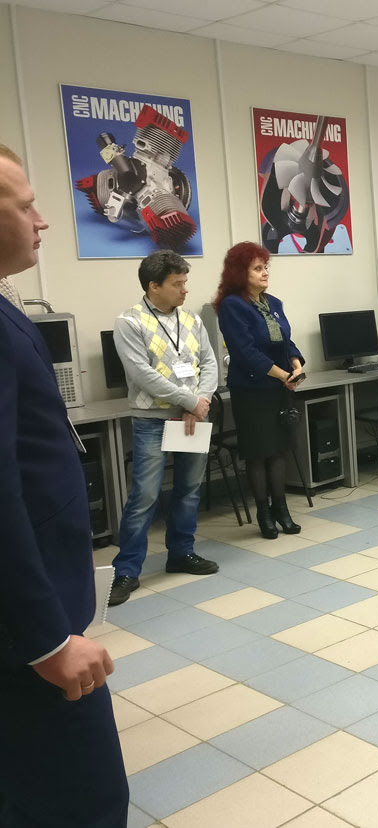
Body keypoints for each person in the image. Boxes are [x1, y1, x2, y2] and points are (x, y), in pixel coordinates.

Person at [0, 143, 128, 825]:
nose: (43, 220)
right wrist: (46, 638)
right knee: (83, 798)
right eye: (26, 206)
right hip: (27, 635)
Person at [109, 251, 220, 606]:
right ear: (153, 286)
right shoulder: (130, 322)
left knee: (188, 489)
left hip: (192, 418)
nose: (185, 290)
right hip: (152, 421)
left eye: (185, 282)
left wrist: (200, 402)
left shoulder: (192, 320)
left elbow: (209, 363)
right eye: (177, 284)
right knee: (144, 497)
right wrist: (190, 401)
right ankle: (126, 571)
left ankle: (181, 553)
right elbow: (141, 373)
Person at [215, 242, 305, 540]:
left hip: (279, 388)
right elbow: (245, 352)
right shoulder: (232, 306)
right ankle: (264, 513)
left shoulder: (273, 303)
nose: (265, 272)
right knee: (258, 453)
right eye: (257, 268)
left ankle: (282, 509)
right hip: (251, 390)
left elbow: (286, 342)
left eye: (266, 267)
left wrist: (296, 365)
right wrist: (283, 375)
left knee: (278, 450)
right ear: (240, 273)